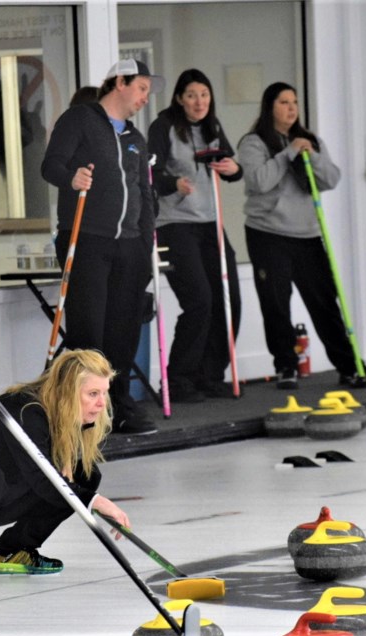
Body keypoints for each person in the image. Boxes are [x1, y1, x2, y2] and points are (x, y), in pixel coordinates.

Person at [0, 349, 131, 584]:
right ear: (67, 391)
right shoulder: (26, 410)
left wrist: (86, 494)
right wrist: (97, 501)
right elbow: (42, 478)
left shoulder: (62, 411)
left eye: (104, 393)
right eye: (92, 393)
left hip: (0, 493)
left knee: (84, 476)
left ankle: (13, 551)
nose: (101, 403)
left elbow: (57, 478)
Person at [41, 59, 165, 435]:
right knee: (89, 332)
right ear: (121, 82)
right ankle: (78, 411)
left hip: (129, 245)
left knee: (123, 331)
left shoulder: (135, 138)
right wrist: (71, 177)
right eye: (141, 87)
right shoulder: (80, 119)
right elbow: (51, 166)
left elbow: (143, 193)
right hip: (87, 239)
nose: (146, 97)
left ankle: (118, 405)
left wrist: (145, 243)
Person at [237, 82, 366, 389]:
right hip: (268, 233)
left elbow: (331, 179)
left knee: (325, 302)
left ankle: (350, 365)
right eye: (284, 102)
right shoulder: (254, 142)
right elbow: (259, 181)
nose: (291, 108)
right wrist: (288, 153)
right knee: (276, 302)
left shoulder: (309, 139)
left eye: (295, 102)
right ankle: (286, 366)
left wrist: (310, 154)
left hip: (307, 233)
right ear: (270, 107)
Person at [147, 68, 243, 402]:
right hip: (174, 223)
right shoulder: (163, 127)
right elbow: (149, 174)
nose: (199, 102)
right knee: (199, 300)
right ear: (179, 99)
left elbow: (231, 166)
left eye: (204, 94)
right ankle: (179, 380)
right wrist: (173, 183)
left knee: (228, 300)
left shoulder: (212, 127)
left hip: (210, 223)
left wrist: (234, 168)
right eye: (191, 95)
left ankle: (211, 374)